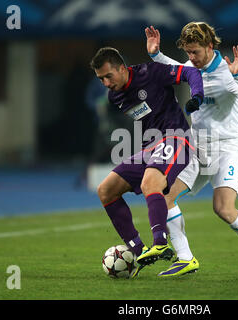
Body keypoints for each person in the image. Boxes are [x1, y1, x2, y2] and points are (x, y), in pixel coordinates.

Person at [145, 22, 238, 277]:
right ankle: (185, 258)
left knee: (223, 209)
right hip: (198, 145)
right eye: (188, 53)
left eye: (195, 52)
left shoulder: (229, 73)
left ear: (210, 46)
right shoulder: (192, 67)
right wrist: (155, 55)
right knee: (164, 196)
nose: (191, 58)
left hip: (229, 147)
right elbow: (175, 66)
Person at [90, 47, 204, 277]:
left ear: (122, 68)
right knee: (106, 190)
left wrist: (197, 96)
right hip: (150, 148)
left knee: (150, 184)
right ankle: (139, 251)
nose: (105, 83)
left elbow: (191, 74)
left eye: (108, 76)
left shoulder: (151, 73)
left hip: (176, 137)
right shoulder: (115, 96)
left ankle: (160, 243)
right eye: (100, 79)